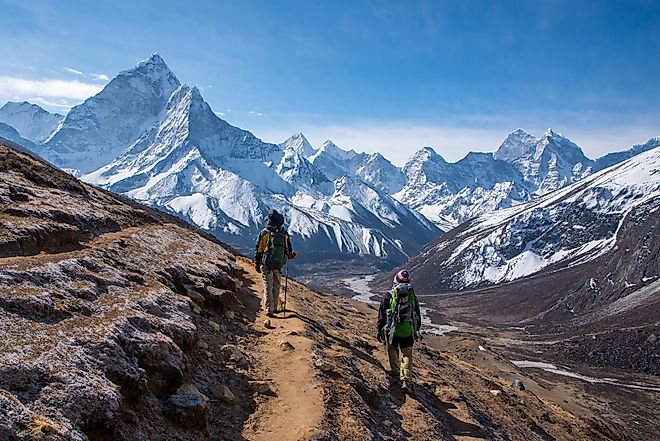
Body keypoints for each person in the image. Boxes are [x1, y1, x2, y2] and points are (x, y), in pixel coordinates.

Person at [377, 269, 421, 393]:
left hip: (393, 330)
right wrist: (416, 329)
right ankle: (406, 379)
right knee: (407, 354)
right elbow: (417, 313)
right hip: (408, 329)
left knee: (392, 349)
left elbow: (381, 315)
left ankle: (396, 372)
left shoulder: (388, 295)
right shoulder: (412, 296)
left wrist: (379, 330)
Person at [254, 209, 295, 322]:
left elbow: (259, 249)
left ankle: (269, 309)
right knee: (277, 286)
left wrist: (257, 263)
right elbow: (289, 251)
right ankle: (276, 307)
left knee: (268, 285)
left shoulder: (264, 233)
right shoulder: (284, 234)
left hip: (266, 264)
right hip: (278, 264)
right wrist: (290, 256)